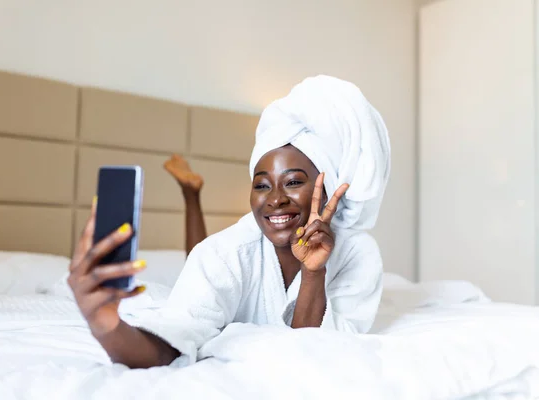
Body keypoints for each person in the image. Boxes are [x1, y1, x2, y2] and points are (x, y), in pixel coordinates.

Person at [67, 75, 391, 369]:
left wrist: (313, 272)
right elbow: (173, 341)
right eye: (261, 185)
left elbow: (319, 349)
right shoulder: (225, 254)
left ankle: (192, 193)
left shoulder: (357, 252)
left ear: (328, 187)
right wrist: (105, 324)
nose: (275, 198)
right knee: (201, 256)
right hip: (209, 265)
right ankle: (191, 194)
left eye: (293, 182)